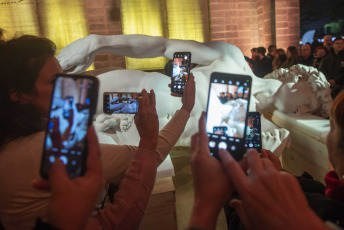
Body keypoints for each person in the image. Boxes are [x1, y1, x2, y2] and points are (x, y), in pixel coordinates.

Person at [0, 35, 195, 229]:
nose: (69, 87)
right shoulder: (40, 150)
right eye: (54, 81)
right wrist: (184, 109)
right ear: (18, 96)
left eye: (65, 76)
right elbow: (145, 160)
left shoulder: (21, 137)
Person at [187, 107, 344, 230]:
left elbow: (240, 222)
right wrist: (280, 174)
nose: (326, 136)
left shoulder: (322, 210)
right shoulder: (330, 196)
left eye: (332, 127)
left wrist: (207, 200)